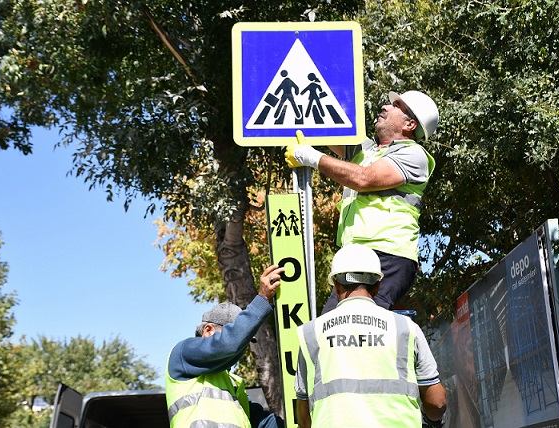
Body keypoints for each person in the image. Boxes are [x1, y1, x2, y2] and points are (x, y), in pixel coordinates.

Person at [285, 90, 438, 314]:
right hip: (358, 253)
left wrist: (310, 157)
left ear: (410, 124)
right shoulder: (368, 151)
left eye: (396, 106)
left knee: (356, 324)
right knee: (333, 326)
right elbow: (329, 126)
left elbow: (363, 178)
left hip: (388, 254)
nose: (386, 107)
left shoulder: (414, 155)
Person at [294, 244, 447, 427]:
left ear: (336, 285)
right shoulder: (405, 328)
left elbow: (304, 416)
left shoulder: (311, 334)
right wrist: (431, 421)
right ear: (377, 286)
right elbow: (437, 403)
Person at [165, 264, 286, 428]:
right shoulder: (184, 354)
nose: (243, 349)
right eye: (238, 336)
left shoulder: (233, 384)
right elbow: (228, 345)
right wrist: (262, 300)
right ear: (208, 330)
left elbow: (265, 423)